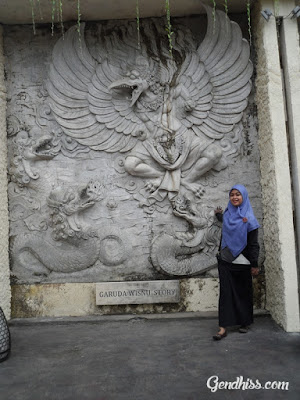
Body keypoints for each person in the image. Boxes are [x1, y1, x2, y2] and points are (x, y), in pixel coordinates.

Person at [213, 184, 260, 340]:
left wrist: (254, 264)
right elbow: (223, 220)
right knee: (225, 294)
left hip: (243, 262)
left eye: (238, 194)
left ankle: (244, 322)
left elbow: (253, 244)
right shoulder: (227, 215)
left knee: (243, 292)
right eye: (232, 194)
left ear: (244, 197)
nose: (234, 197)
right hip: (225, 260)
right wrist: (218, 214)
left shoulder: (250, 220)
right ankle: (222, 327)